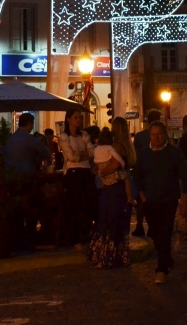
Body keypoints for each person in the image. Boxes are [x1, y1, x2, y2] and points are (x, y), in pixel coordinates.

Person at [135, 122, 187, 284]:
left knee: (165, 231)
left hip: (169, 198)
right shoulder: (144, 153)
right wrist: (143, 197)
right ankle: (167, 260)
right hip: (150, 200)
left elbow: (184, 177)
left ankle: (162, 268)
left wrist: (185, 201)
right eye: (153, 134)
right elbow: (138, 176)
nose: (156, 137)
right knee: (155, 233)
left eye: (159, 134)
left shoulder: (174, 153)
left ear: (165, 134)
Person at [87, 120, 136, 268]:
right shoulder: (126, 147)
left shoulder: (116, 147)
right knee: (117, 222)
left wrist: (101, 171)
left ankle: (107, 256)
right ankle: (118, 256)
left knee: (109, 222)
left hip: (113, 189)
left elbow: (113, 165)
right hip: (119, 189)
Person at [59, 109, 95, 250]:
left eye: (80, 117)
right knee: (74, 205)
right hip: (73, 172)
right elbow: (70, 156)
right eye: (75, 117)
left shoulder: (84, 134)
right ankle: (75, 238)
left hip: (86, 171)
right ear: (68, 119)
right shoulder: (64, 136)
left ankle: (88, 232)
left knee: (90, 203)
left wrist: (79, 154)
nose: (78, 120)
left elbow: (91, 152)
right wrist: (82, 154)